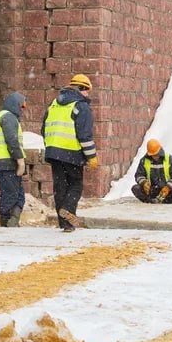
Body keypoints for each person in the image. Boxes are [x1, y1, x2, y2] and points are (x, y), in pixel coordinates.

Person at [42, 73, 98, 232]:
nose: (88, 95)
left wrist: (52, 146)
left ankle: (65, 224)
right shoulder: (81, 106)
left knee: (60, 187)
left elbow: (44, 129)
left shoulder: (54, 104)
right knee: (76, 184)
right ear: (82, 89)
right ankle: (67, 209)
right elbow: (85, 136)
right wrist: (91, 156)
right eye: (87, 91)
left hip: (53, 152)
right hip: (72, 153)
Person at [0, 92, 27, 227]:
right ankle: (7, 224)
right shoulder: (8, 117)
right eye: (22, 106)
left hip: (0, 162)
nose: (23, 110)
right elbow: (12, 140)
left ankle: (12, 222)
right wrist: (20, 159)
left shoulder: (1, 117)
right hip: (7, 162)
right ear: (15, 105)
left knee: (18, 195)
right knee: (11, 195)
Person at [131, 139, 172, 203]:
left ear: (160, 150)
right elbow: (139, 175)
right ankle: (150, 201)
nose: (154, 157)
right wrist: (144, 183)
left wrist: (168, 187)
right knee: (136, 188)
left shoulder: (170, 159)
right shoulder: (144, 160)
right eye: (152, 155)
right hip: (151, 190)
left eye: (156, 154)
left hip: (166, 190)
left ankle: (165, 201)